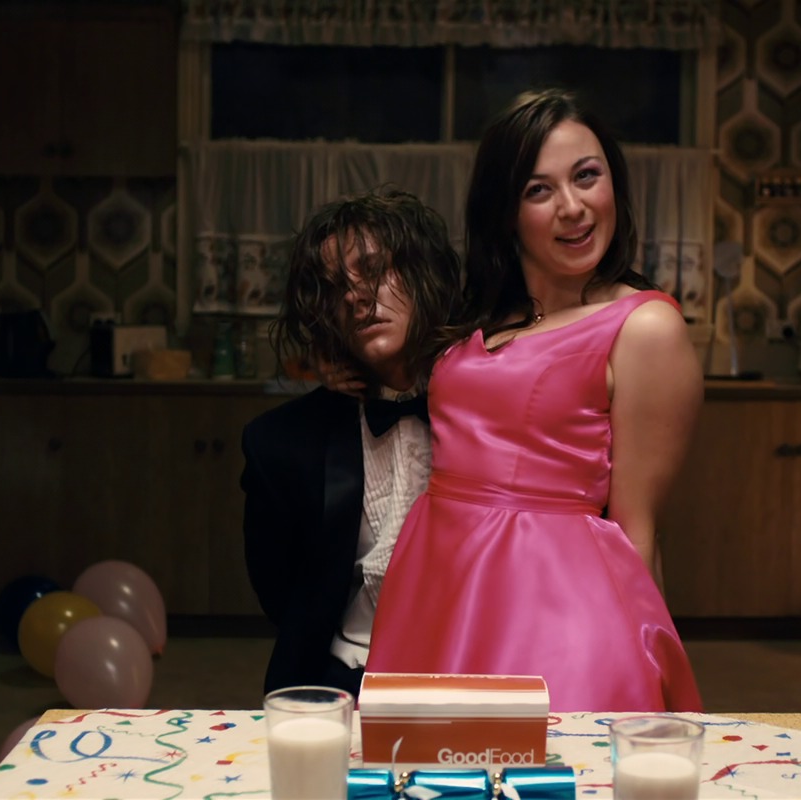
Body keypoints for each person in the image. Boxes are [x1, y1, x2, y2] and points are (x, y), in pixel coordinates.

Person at [365, 89, 705, 712]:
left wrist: (645, 662)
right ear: (506, 211)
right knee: (420, 753)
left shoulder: (644, 327)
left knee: (547, 755)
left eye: (587, 176)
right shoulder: (481, 314)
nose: (573, 207)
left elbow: (636, 528)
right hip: (438, 578)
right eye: (539, 189)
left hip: (552, 603)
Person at [240, 186, 466, 697]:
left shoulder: (492, 408)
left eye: (375, 269)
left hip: (475, 673)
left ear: (425, 272)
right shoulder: (279, 444)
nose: (355, 296)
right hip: (341, 682)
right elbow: (282, 594)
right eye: (334, 288)